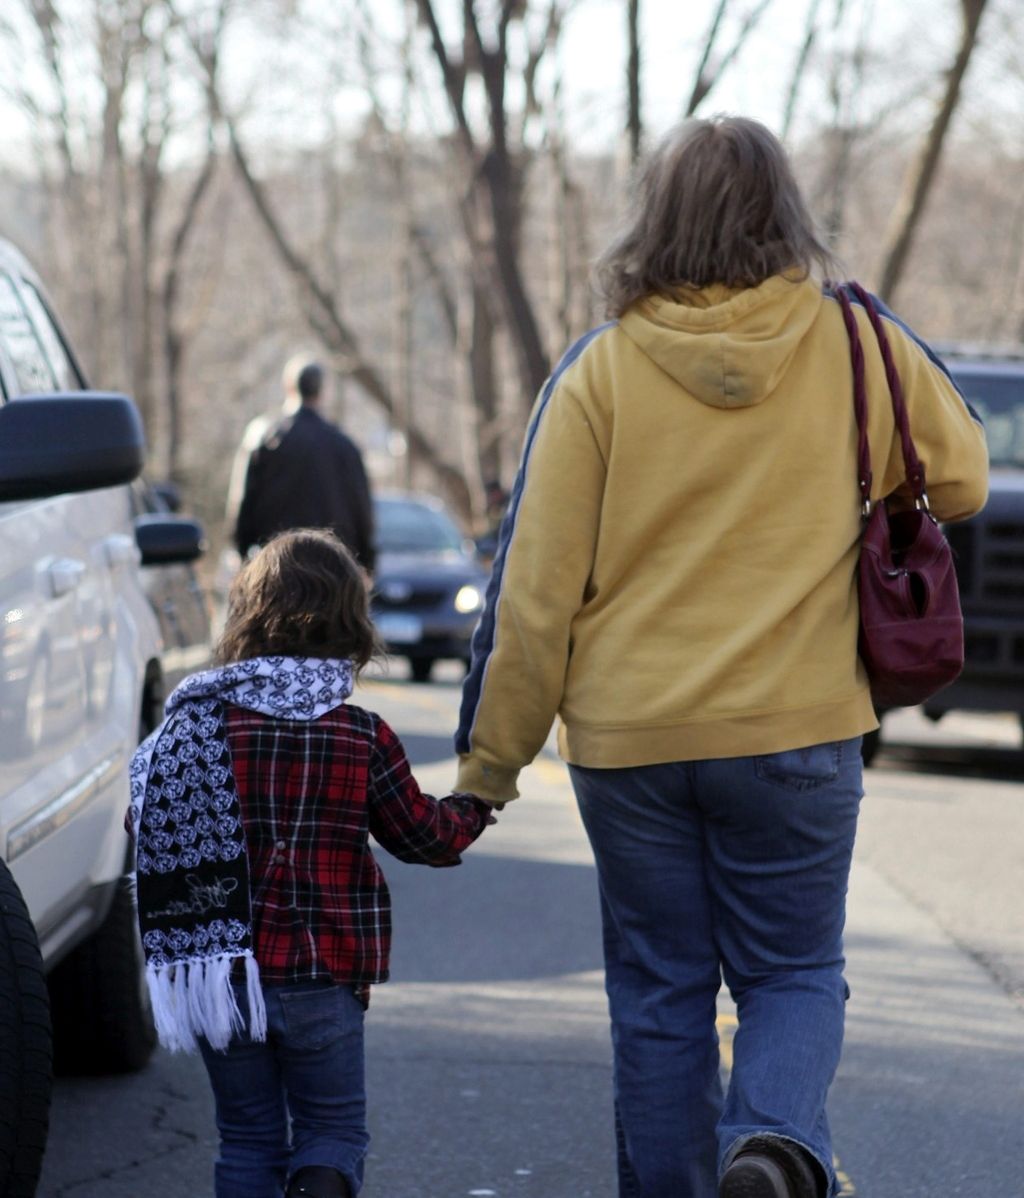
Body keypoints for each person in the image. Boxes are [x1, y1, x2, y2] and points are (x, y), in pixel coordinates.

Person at [453, 116, 988, 1198]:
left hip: (630, 743)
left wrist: (489, 769)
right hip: (798, 730)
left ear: (654, 221)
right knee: (793, 972)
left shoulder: (599, 374)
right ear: (789, 217)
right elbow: (965, 477)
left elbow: (535, 596)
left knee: (660, 995)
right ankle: (772, 1142)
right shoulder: (856, 346)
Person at [127, 529, 493, 1198]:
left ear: (246, 616)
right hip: (324, 976)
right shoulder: (361, 734)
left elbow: (145, 826)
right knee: (331, 1133)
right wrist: (474, 805)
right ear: (352, 622)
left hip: (221, 977)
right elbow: (425, 837)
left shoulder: (193, 725)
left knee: (247, 1138)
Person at [229, 359, 376, 573]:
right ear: (321, 391)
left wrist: (244, 555)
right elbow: (361, 509)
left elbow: (242, 503)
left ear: (288, 387)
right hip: (331, 570)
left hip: (277, 567)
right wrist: (367, 563)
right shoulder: (343, 445)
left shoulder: (265, 438)